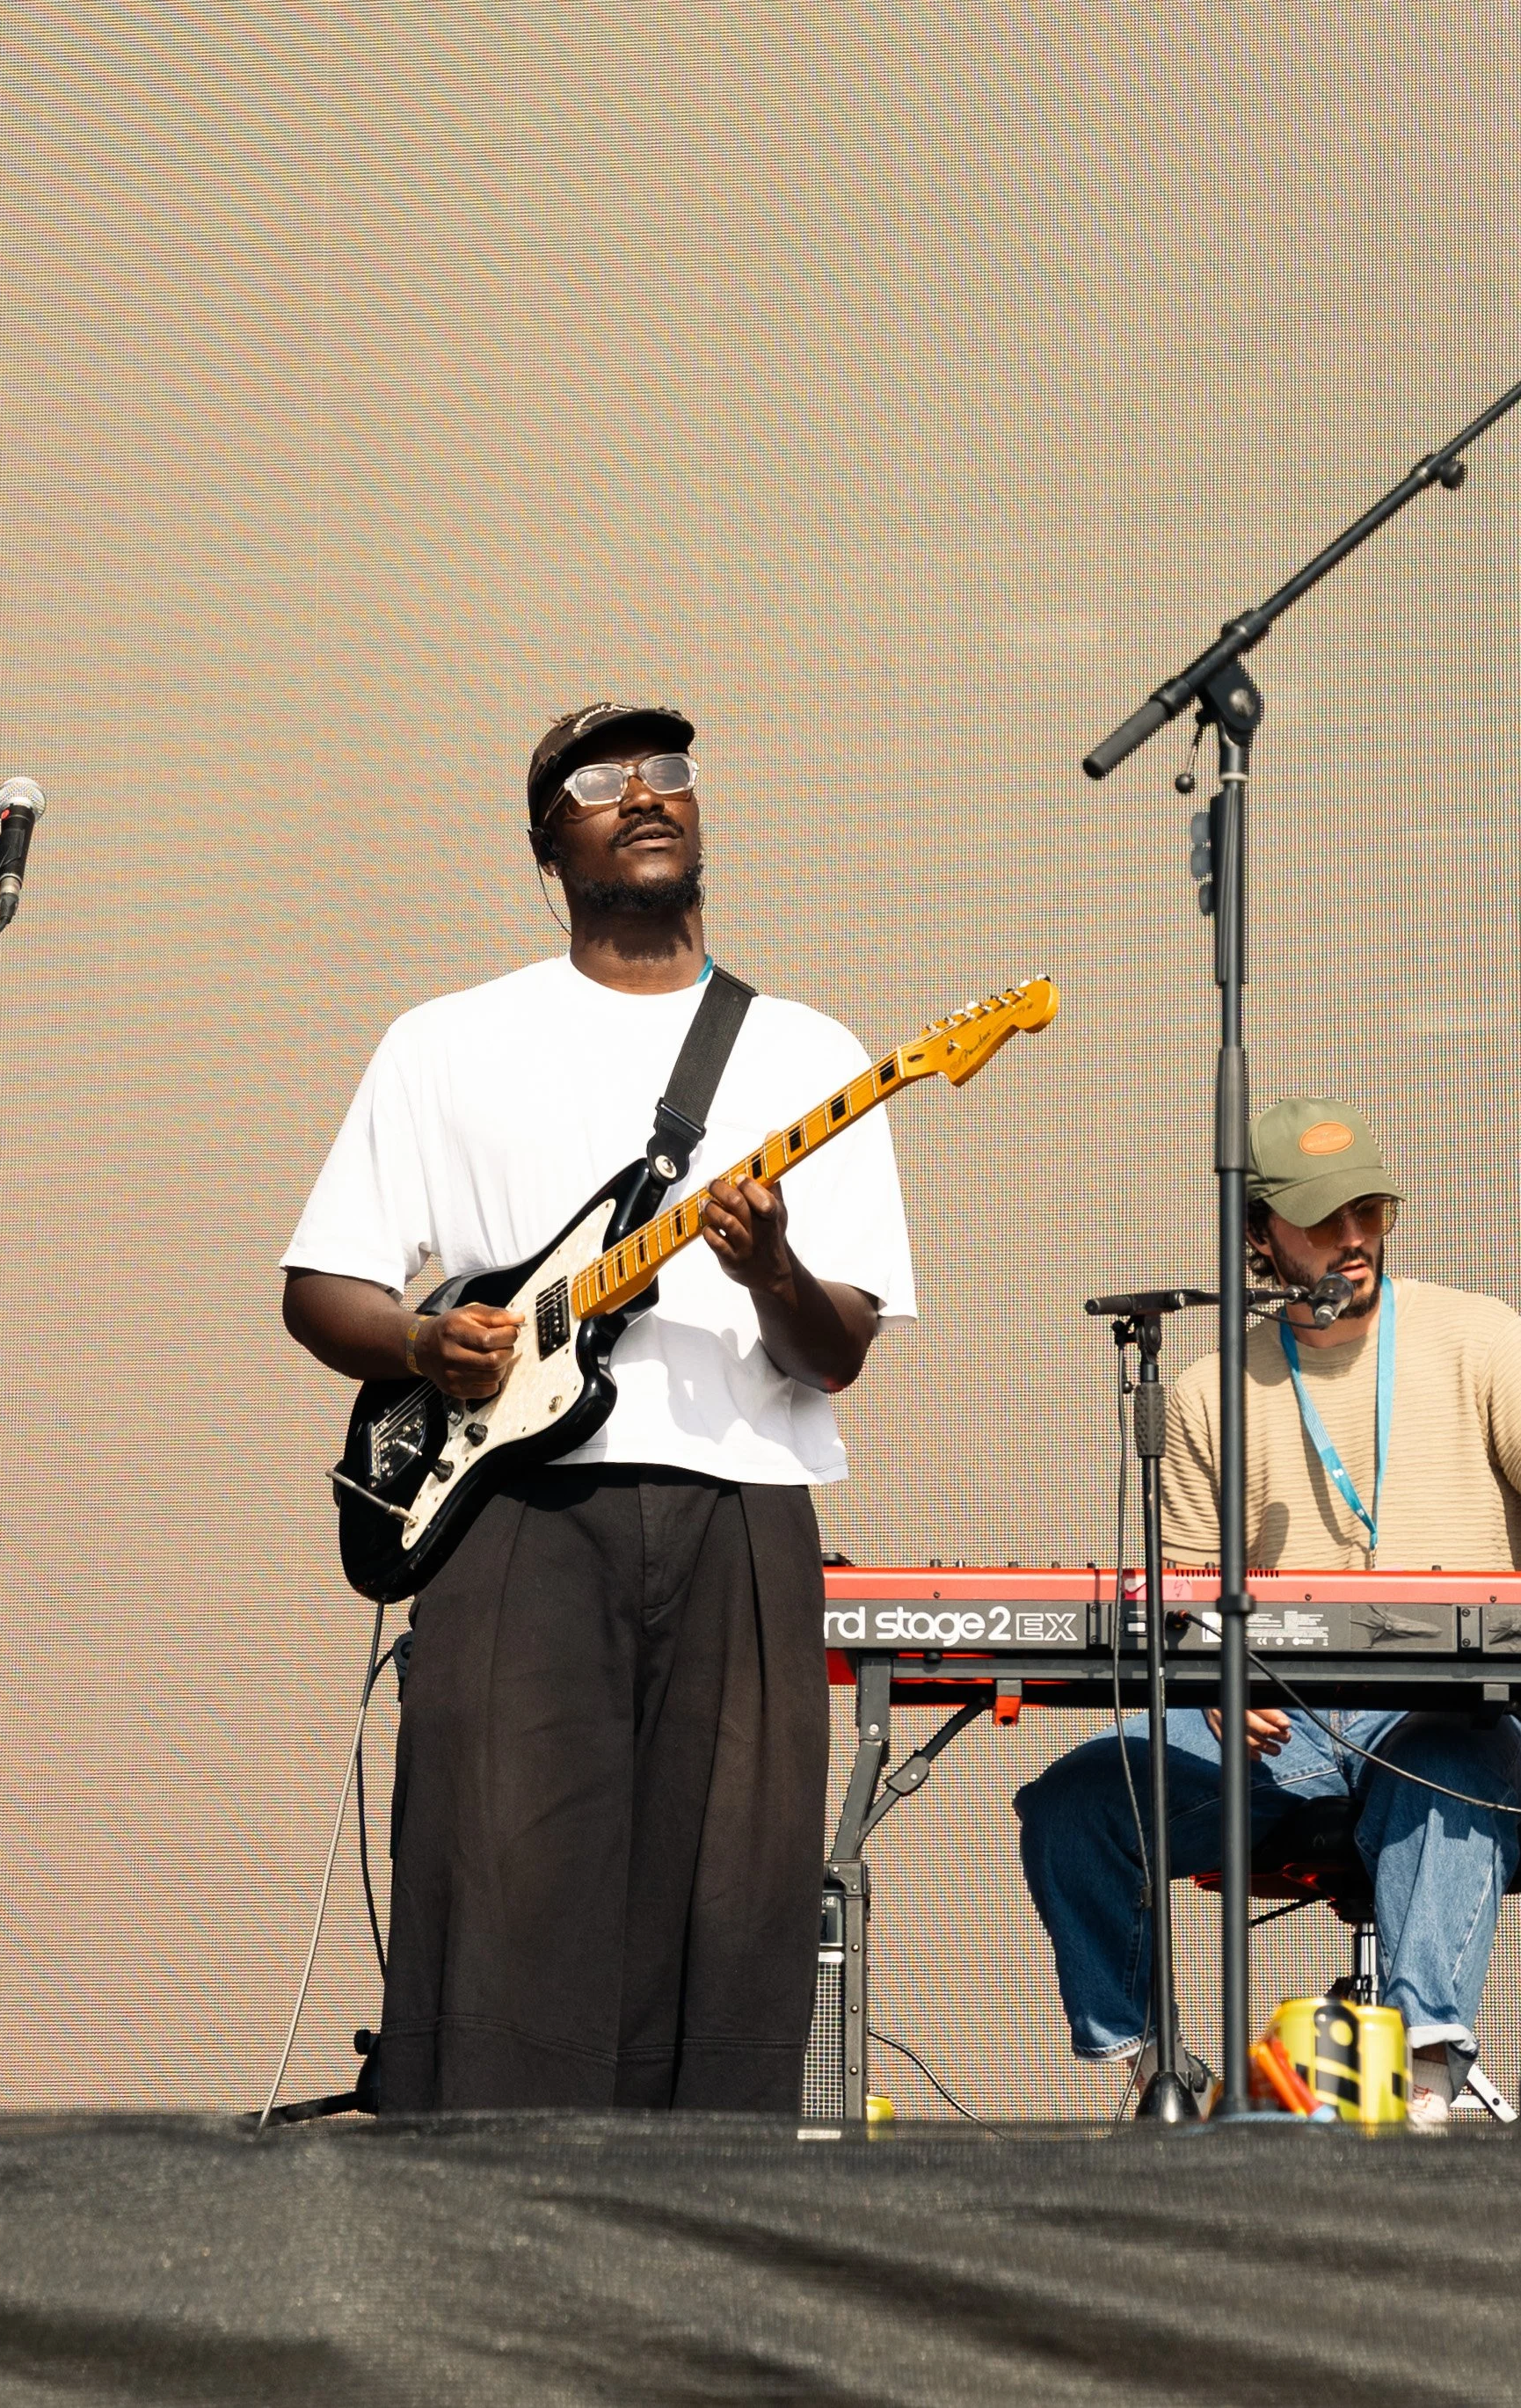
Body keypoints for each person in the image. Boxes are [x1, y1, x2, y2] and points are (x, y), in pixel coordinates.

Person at [281, 699, 917, 2111]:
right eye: (597, 782)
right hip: (512, 1512)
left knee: (733, 1894)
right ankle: (493, 2208)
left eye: (666, 771)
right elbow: (319, 1288)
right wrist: (421, 1340)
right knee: (503, 1882)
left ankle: (700, 2206)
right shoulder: (447, 1041)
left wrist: (770, 1271)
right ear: (543, 848)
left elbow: (836, 1351)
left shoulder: (807, 1050)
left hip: (741, 1505)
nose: (642, 794)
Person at [1016, 1095, 1521, 2131]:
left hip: (1450, 1720)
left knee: (1443, 1763)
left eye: (1368, 1210)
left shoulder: (1478, 1336)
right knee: (1076, 1802)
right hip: (1286, 1734)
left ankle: (1420, 2084)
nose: (1352, 1237)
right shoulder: (1209, 1388)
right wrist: (1211, 1685)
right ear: (1259, 1233)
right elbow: (1185, 1604)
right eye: (1322, 1217)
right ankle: (1157, 2077)